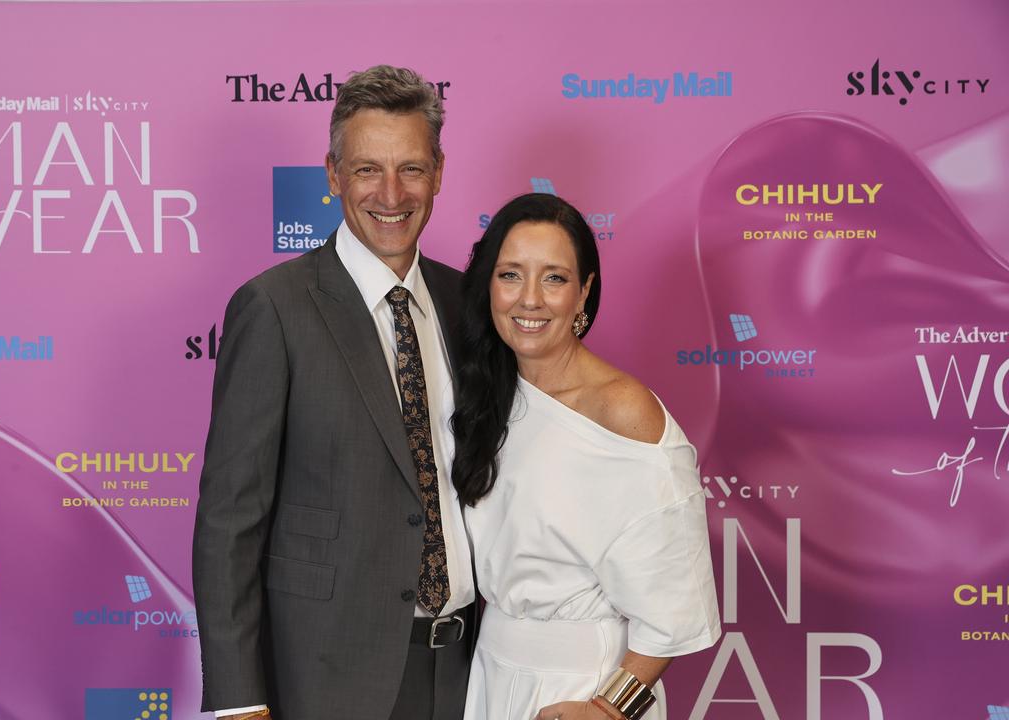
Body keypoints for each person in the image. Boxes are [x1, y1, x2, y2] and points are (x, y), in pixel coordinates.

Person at [193, 65, 476, 720]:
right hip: (329, 679)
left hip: (471, 669)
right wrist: (239, 702)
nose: (390, 192)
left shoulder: (468, 302)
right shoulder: (275, 308)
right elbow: (229, 519)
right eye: (367, 169)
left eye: (410, 168)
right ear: (332, 176)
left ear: (437, 172)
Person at [451, 193, 721, 720]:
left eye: (553, 278)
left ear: (584, 293)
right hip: (491, 674)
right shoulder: (488, 399)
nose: (529, 299)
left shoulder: (623, 410)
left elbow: (675, 596)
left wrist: (608, 709)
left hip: (584, 687)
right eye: (510, 275)